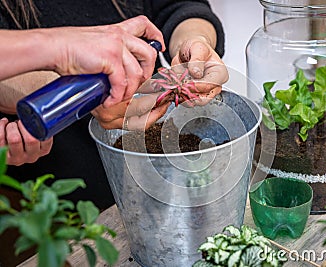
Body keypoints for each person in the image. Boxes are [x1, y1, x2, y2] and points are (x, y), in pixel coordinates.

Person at [0, 1, 226, 209]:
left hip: (157, 177)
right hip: (56, 202)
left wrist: (197, 42)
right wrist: (78, 87)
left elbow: (179, 6)